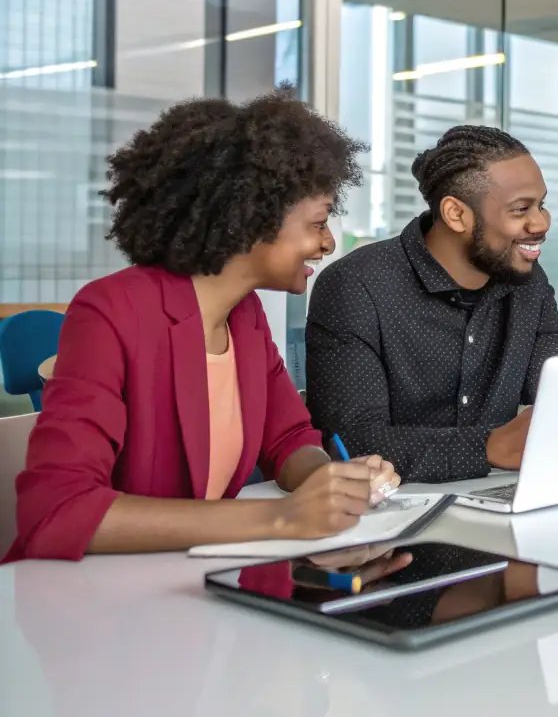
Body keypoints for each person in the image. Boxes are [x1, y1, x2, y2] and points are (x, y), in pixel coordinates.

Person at [5, 90, 399, 562]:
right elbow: (57, 512)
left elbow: (288, 439)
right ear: (253, 219)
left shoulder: (244, 315)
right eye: (318, 224)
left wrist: (331, 485)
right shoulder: (111, 310)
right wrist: (282, 518)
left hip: (187, 585)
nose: (328, 243)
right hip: (89, 601)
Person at [306, 125, 558, 483]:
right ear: (456, 215)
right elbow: (353, 441)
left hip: (498, 502)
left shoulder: (526, 282)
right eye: (521, 210)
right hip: (393, 520)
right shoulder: (357, 286)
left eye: (541, 205)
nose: (541, 222)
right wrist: (488, 447)